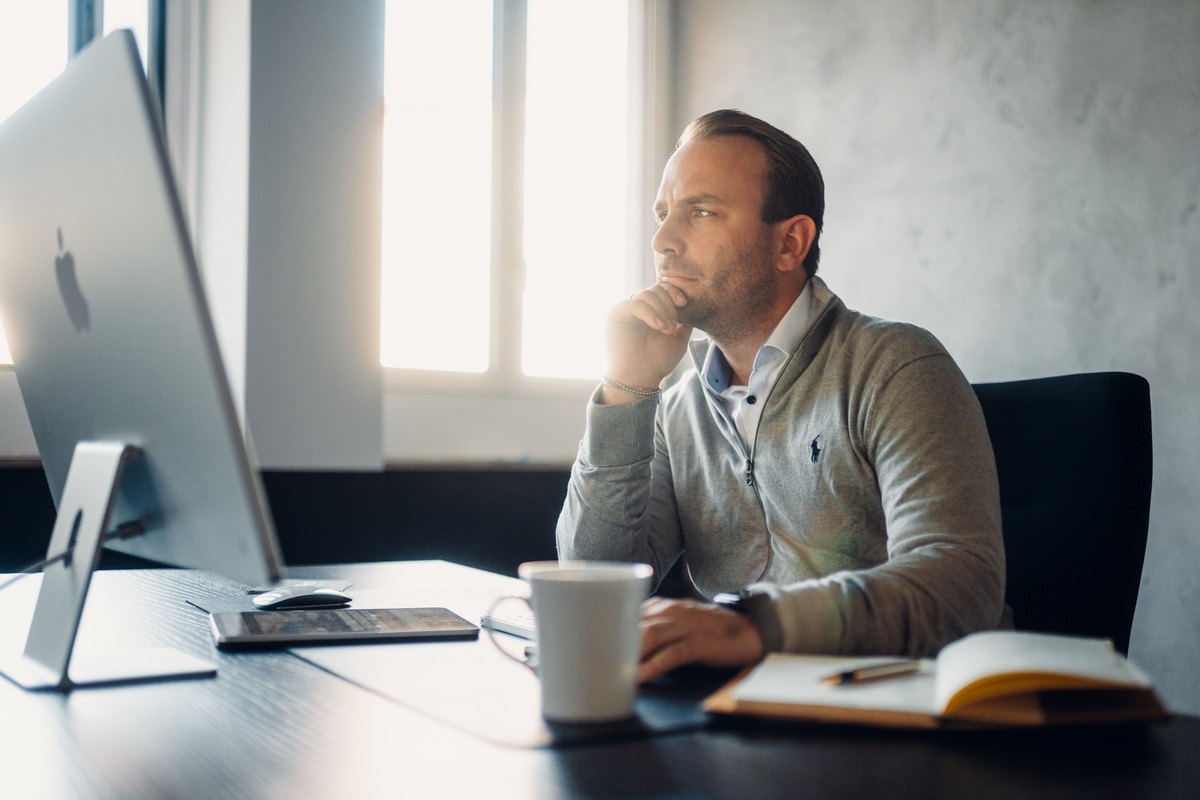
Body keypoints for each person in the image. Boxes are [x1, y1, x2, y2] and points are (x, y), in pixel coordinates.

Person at [556, 109, 1006, 684]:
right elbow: (593, 588)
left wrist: (753, 626)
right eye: (663, 214)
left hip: (905, 723)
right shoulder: (676, 407)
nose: (662, 240)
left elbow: (960, 585)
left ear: (790, 242)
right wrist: (626, 390)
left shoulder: (896, 366)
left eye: (700, 212)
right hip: (739, 717)